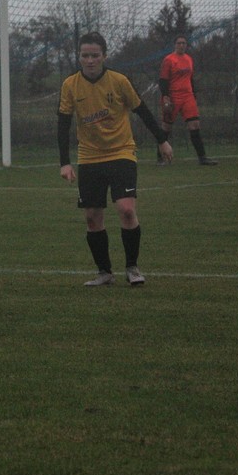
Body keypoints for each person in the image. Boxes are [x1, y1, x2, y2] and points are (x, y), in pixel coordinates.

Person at [58, 31, 174, 287]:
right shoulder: (70, 85)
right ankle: (104, 272)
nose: (90, 60)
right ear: (79, 57)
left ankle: (132, 267)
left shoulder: (119, 81)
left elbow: (142, 110)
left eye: (95, 55)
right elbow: (63, 124)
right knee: (92, 217)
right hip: (89, 157)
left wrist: (162, 140)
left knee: (127, 210)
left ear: (104, 56)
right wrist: (64, 162)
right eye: (85, 55)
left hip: (121, 152)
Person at [157, 34, 218, 166]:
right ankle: (161, 158)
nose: (181, 45)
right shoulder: (169, 60)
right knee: (166, 127)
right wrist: (165, 96)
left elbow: (190, 78)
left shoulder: (189, 59)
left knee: (194, 125)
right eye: (179, 43)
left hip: (187, 96)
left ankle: (202, 158)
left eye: (184, 43)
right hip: (173, 97)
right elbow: (163, 80)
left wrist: (194, 94)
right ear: (175, 45)